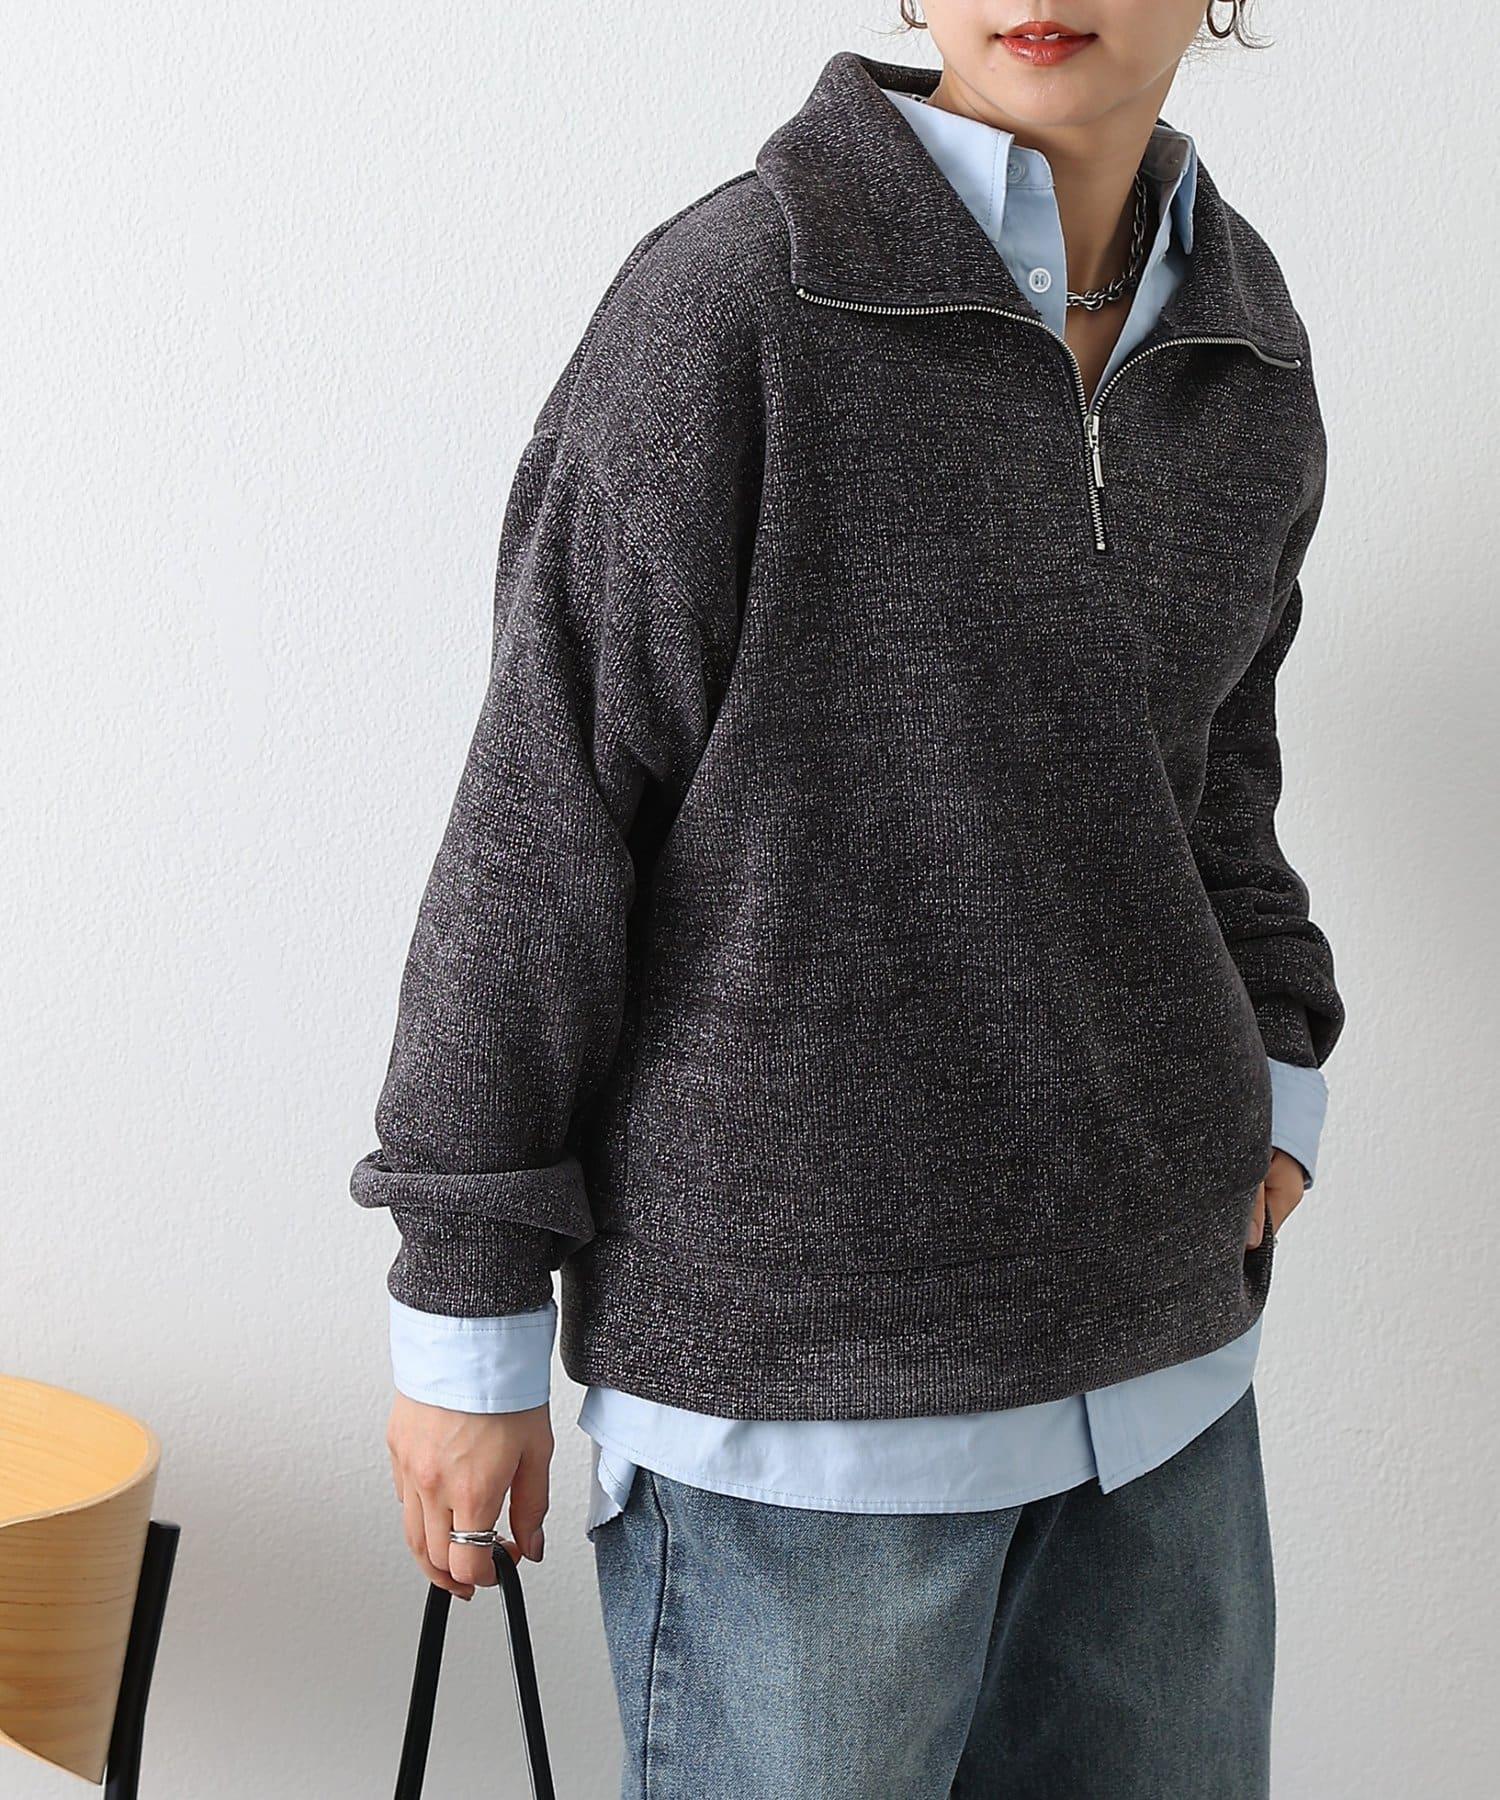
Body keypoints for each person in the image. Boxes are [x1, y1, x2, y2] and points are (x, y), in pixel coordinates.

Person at [354, 6, 1345, 1795]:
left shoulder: (1245, 349)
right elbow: (542, 819)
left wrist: (1276, 1072)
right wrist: (467, 1309)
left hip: (1168, 1389)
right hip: (800, 1417)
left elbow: (1216, 790)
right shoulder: (741, 298)